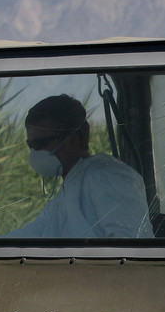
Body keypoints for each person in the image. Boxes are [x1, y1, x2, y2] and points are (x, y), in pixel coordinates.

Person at [9, 94, 153, 240]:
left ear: (71, 139)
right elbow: (32, 234)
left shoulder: (106, 176)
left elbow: (132, 244)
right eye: (31, 145)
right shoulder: (67, 191)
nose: (35, 152)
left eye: (40, 144)